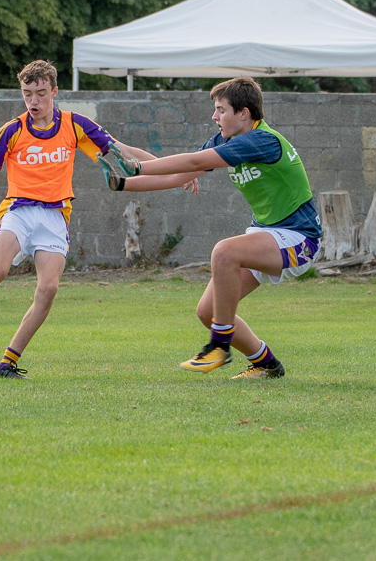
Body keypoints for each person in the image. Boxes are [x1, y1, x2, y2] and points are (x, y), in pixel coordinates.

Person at [0, 60, 155, 378]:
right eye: (27, 93)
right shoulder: (12, 131)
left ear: (55, 92)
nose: (34, 101)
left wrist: (177, 168)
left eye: (41, 93)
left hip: (55, 216)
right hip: (18, 211)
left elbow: (121, 150)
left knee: (48, 290)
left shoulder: (75, 125)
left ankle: (6, 364)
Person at [107, 77, 319, 380]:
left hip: (301, 237)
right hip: (267, 235)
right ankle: (266, 364)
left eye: (220, 110)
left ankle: (219, 347)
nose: (214, 117)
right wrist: (122, 174)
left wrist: (138, 167)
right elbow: (178, 173)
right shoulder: (227, 140)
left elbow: (191, 161)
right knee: (209, 312)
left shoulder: (262, 140)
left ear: (243, 113)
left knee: (224, 252)